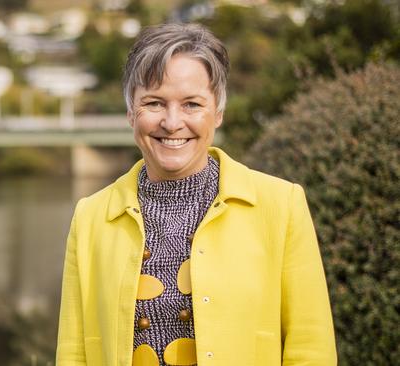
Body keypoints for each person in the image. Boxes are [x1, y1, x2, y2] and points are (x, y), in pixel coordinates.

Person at [55, 23, 337, 366]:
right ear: (131, 113)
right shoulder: (91, 217)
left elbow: (312, 348)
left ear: (217, 112)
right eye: (154, 103)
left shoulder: (281, 205)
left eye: (192, 104)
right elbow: (73, 353)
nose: (172, 123)